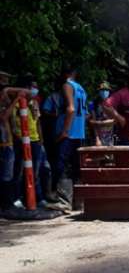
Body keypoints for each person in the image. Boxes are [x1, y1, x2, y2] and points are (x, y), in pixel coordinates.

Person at [53, 66, 88, 207]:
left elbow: (71, 108)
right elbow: (84, 113)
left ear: (67, 74)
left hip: (68, 133)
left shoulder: (67, 86)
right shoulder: (81, 89)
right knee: (76, 166)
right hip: (79, 132)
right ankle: (79, 202)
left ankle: (63, 202)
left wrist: (65, 131)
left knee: (62, 166)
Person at [9, 75, 44, 207]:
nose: (34, 90)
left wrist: (41, 139)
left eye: (35, 87)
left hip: (35, 141)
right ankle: (17, 198)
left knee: (35, 171)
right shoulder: (14, 102)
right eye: (31, 87)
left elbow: (38, 122)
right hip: (21, 141)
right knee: (18, 171)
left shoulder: (34, 103)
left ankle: (37, 198)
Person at [0, 71, 16, 209]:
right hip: (4, 143)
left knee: (8, 175)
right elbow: (4, 117)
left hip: (7, 142)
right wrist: (16, 100)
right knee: (6, 175)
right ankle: (6, 205)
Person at [88, 81, 115, 146]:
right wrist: (97, 139)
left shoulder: (113, 103)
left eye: (106, 90)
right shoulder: (92, 104)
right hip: (97, 136)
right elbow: (92, 122)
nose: (104, 92)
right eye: (102, 90)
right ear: (99, 91)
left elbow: (115, 120)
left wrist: (101, 123)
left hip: (109, 137)